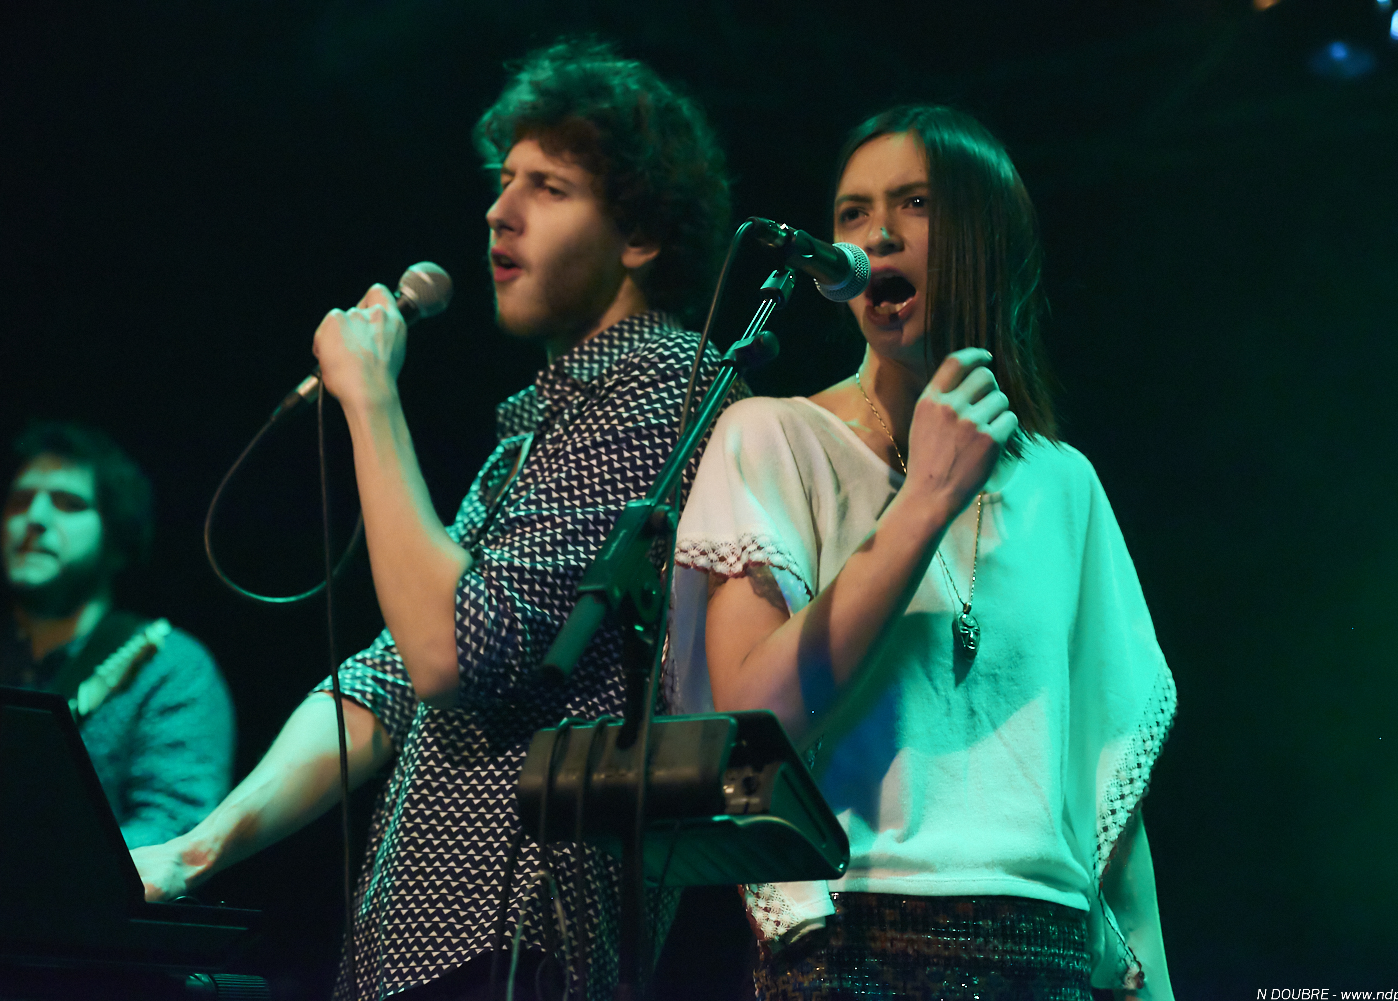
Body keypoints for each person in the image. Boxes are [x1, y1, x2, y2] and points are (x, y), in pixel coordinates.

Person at [131, 38, 732, 1001]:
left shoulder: (665, 386)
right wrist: (194, 851)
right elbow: (388, 679)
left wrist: (372, 400)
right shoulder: (535, 429)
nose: (500, 210)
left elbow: (452, 653)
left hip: (519, 946)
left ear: (642, 235)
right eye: (504, 180)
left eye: (549, 187)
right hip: (419, 951)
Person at [668, 105, 1176, 1001]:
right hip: (852, 943)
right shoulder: (771, 436)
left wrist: (1151, 983)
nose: (877, 234)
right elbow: (752, 725)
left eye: (915, 203)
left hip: (1048, 950)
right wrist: (926, 500)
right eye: (853, 212)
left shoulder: (1065, 485)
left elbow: (1109, 802)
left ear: (989, 239)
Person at [0, 421, 235, 849]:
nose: (34, 518)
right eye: (19, 501)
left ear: (116, 538)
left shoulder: (168, 667)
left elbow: (174, 827)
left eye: (69, 504)